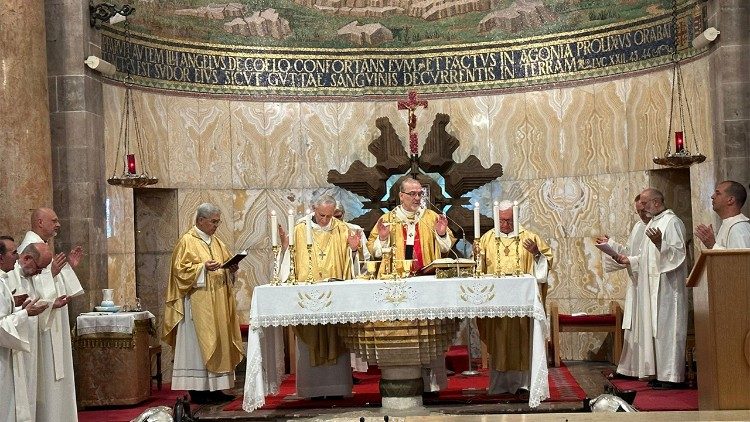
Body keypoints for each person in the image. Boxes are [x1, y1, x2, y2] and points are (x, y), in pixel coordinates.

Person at [366, 177, 456, 394]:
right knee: (404, 333)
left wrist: (442, 232)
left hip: (427, 282)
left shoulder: (431, 217)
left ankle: (432, 385)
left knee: (429, 333)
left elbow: (445, 248)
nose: (417, 198)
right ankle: (402, 379)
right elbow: (374, 250)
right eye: (413, 194)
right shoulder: (387, 219)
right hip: (398, 286)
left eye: (420, 194)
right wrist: (384, 239)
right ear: (401, 196)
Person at [278, 194, 360, 399]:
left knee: (336, 336)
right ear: (314, 210)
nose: (325, 220)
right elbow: (291, 259)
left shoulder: (342, 229)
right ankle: (311, 390)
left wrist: (353, 249)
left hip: (335, 296)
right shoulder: (300, 229)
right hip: (308, 297)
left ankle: (337, 388)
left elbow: (353, 262)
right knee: (309, 340)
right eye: (322, 215)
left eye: (329, 216)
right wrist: (286, 249)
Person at [163, 203, 244, 404]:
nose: (216, 225)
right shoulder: (187, 242)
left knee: (218, 342)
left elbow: (224, 266)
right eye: (213, 221)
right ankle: (198, 392)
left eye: (218, 221)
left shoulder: (217, 243)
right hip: (197, 307)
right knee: (198, 346)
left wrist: (230, 269)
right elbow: (179, 272)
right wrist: (202, 268)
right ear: (200, 220)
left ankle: (216, 389)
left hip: (217, 303)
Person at [474, 200, 553, 397]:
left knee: (522, 341)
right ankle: (500, 386)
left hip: (522, 306)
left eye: (509, 220)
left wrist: (536, 254)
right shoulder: (486, 239)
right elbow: (477, 271)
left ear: (516, 218)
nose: (506, 225)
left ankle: (524, 386)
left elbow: (545, 265)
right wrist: (477, 257)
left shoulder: (529, 238)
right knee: (499, 342)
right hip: (496, 304)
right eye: (502, 221)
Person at [615, 188, 688, 389]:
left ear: (656, 202)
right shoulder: (654, 223)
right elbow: (646, 259)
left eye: (645, 203)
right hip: (652, 288)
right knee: (657, 331)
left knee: (668, 330)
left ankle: (672, 375)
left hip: (668, 289)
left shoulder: (672, 222)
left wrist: (660, 243)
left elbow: (679, 256)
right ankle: (660, 373)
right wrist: (629, 260)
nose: (642, 208)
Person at [15, 208, 83, 421]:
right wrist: (51, 274)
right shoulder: (29, 248)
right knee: (46, 378)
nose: (58, 224)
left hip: (54, 318)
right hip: (41, 328)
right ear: (39, 221)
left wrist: (67, 268)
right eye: (53, 220)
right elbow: (24, 285)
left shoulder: (43, 247)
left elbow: (51, 279)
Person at [596, 195, 654, 379]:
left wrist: (631, 260)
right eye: (638, 212)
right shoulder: (638, 227)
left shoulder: (659, 225)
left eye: (643, 211)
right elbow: (629, 252)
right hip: (637, 283)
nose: (641, 215)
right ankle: (631, 368)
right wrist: (610, 245)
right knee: (634, 326)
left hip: (651, 285)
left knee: (645, 326)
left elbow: (653, 258)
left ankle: (647, 369)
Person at [3, 242, 53, 422]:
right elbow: (1, 325)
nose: (16, 257)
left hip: (17, 345)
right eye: (14, 253)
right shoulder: (5, 280)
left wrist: (21, 309)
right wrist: (25, 312)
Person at [695, 180, 750, 249]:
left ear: (730, 200)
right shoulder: (729, 223)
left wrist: (712, 245)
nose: (712, 196)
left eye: (718, 193)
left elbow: (741, 259)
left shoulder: (738, 227)